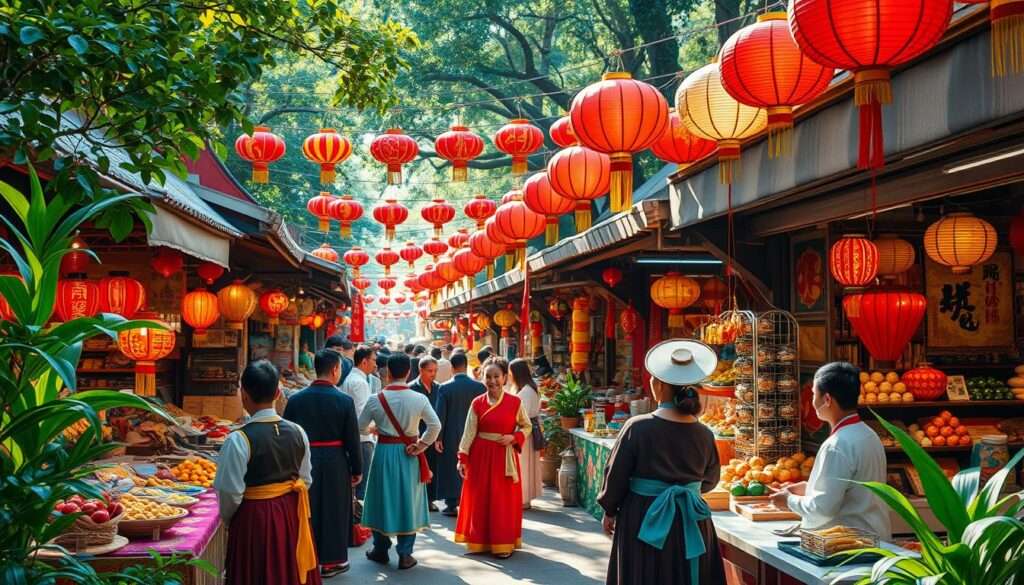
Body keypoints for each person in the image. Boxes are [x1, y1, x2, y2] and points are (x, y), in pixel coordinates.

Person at [598, 340, 726, 585]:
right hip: (692, 518)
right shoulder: (705, 433)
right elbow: (710, 481)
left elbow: (616, 475)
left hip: (644, 516)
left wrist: (610, 510)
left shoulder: (637, 426)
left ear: (658, 385)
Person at [215, 360, 320, 585]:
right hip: (292, 512)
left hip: (254, 517)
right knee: (288, 569)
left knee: (257, 573)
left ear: (243, 394)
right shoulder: (298, 432)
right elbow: (306, 478)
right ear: (278, 392)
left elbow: (229, 492)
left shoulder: (238, 438)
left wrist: (228, 521)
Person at [770, 362, 891, 539]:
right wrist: (810, 488)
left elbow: (821, 510)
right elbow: (853, 491)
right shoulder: (869, 434)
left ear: (826, 399)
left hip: (849, 547)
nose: (812, 401)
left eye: (813, 394)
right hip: (873, 538)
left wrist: (788, 501)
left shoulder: (837, 444)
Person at [283, 351, 362, 578]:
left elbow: (287, 434)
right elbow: (352, 439)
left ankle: (307, 558)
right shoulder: (344, 401)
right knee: (334, 510)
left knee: (307, 509)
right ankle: (331, 562)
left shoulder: (296, 399)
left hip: (303, 460)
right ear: (335, 370)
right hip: (336, 460)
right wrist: (357, 468)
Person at [359, 353, 441, 570]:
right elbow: (435, 426)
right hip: (409, 454)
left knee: (380, 498)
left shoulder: (375, 399)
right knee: (408, 501)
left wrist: (374, 429)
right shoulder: (419, 398)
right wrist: (421, 445)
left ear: (388, 372)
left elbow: (359, 427)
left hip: (384, 452)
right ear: (408, 373)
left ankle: (380, 548)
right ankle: (405, 554)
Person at [454, 357, 531, 558]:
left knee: (502, 500)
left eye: (497, 376)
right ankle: (481, 542)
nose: (493, 381)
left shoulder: (515, 402)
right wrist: (463, 457)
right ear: (482, 378)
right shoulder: (477, 403)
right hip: (480, 456)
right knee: (480, 498)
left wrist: (514, 437)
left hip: (504, 457)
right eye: (488, 377)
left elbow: (527, 426)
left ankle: (503, 543)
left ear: (505, 377)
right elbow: (469, 431)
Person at [434, 351, 486, 516]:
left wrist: (438, 437)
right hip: (475, 434)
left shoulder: (445, 387)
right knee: (472, 466)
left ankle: (452, 503)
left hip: (451, 433)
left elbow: (440, 414)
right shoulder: (479, 386)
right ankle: (472, 500)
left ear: (452, 368)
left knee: (451, 467)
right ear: (466, 366)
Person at [340, 346, 376, 501]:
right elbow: (362, 413)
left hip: (355, 438)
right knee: (362, 487)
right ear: (364, 361)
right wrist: (371, 429)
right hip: (362, 439)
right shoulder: (359, 382)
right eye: (373, 360)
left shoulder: (350, 379)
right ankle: (360, 523)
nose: (375, 364)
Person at [509, 358, 543, 509]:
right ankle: (524, 498)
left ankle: (523, 498)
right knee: (525, 466)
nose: (509, 376)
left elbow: (522, 415)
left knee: (523, 466)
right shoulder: (527, 388)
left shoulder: (526, 391)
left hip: (524, 432)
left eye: (510, 373)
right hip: (527, 431)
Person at [409, 357, 441, 511]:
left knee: (432, 466)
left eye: (435, 371)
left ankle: (430, 499)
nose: (433, 374)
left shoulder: (439, 388)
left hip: (433, 434)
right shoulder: (411, 388)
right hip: (416, 433)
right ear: (421, 370)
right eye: (430, 371)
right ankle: (416, 499)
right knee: (416, 467)